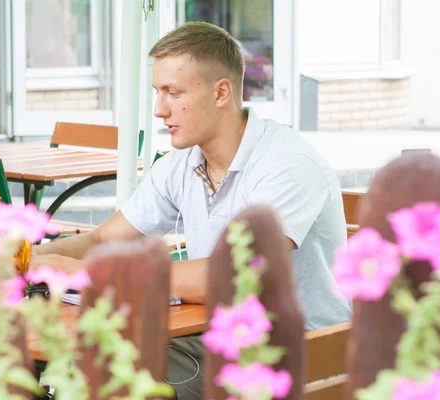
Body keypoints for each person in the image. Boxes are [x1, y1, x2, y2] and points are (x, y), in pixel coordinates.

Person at [31, 21, 353, 400]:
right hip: (219, 339)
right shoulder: (182, 164)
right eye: (157, 92)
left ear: (221, 93)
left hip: (299, 357)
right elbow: (104, 238)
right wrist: (32, 255)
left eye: (173, 92)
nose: (158, 109)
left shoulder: (287, 165)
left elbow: (228, 280)